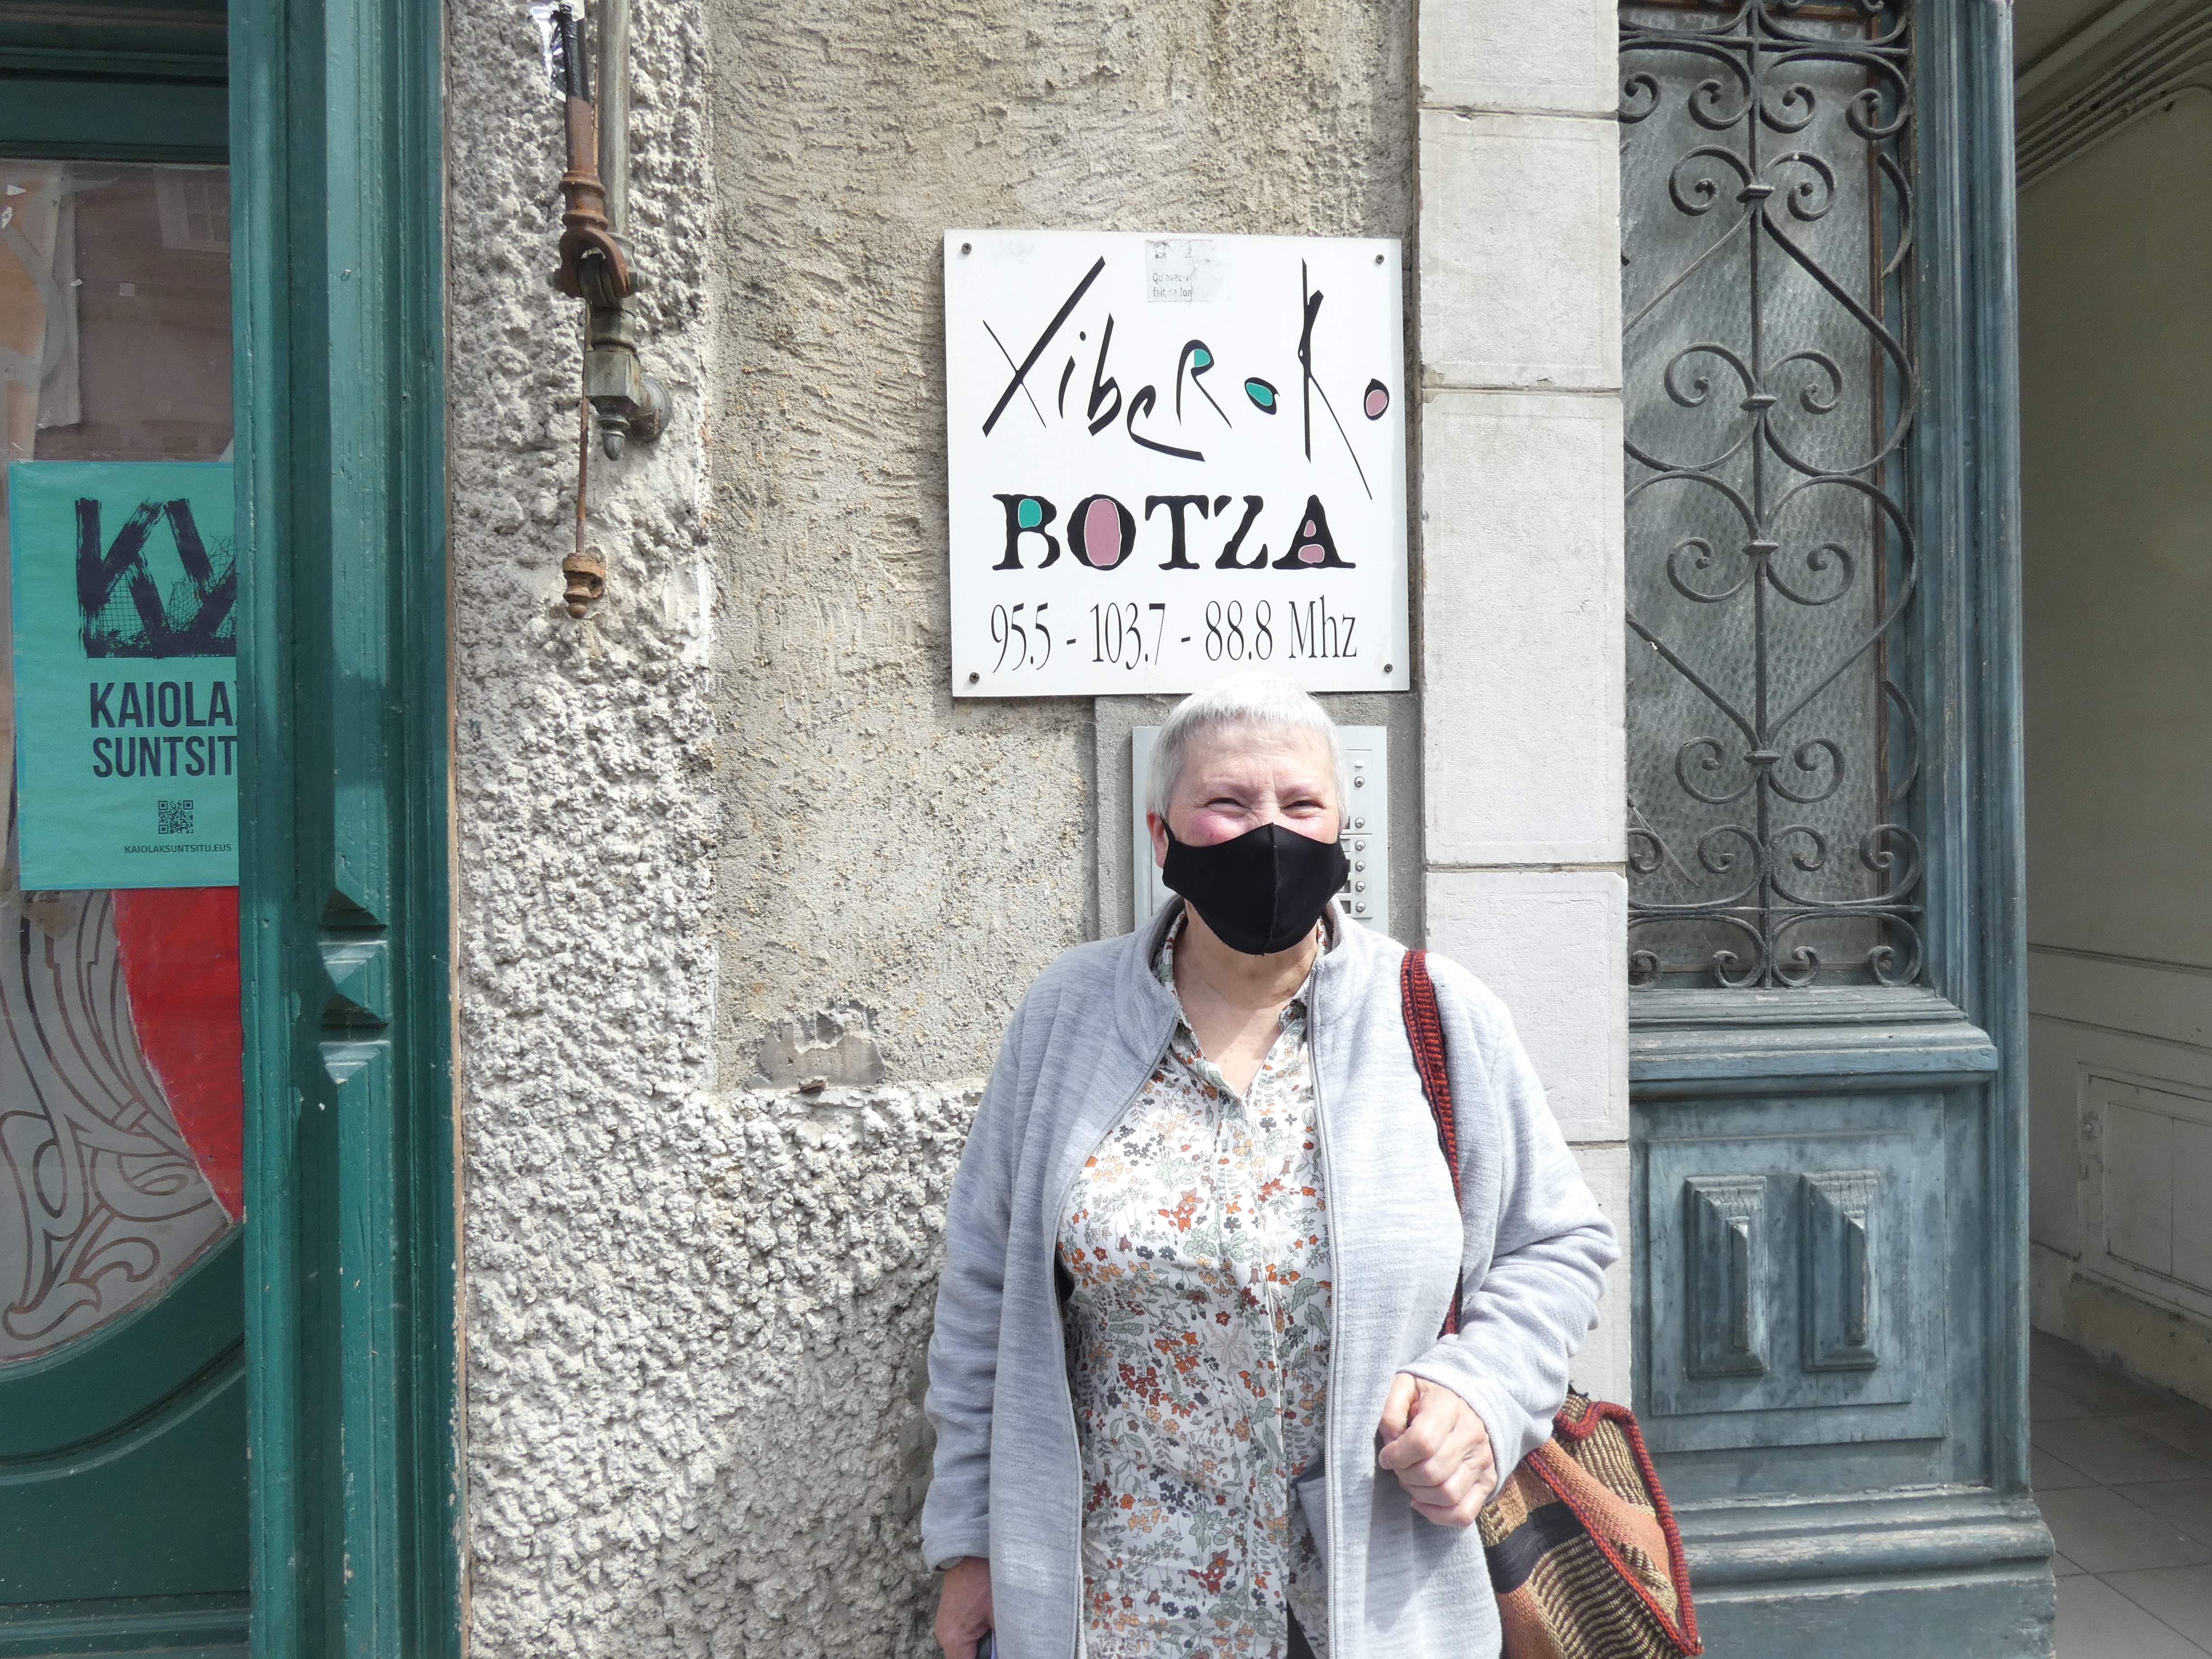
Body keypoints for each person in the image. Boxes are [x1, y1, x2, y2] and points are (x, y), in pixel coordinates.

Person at [923, 675, 1618, 1659]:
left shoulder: (1435, 1014)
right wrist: (969, 1546)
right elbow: (983, 1291)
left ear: (1340, 829)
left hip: (1372, 1608)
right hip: (1119, 1608)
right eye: (1228, 803)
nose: (1271, 833)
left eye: (1301, 804)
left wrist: (1484, 1393)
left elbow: (1557, 1243)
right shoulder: (1068, 1015)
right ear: (1162, 836)